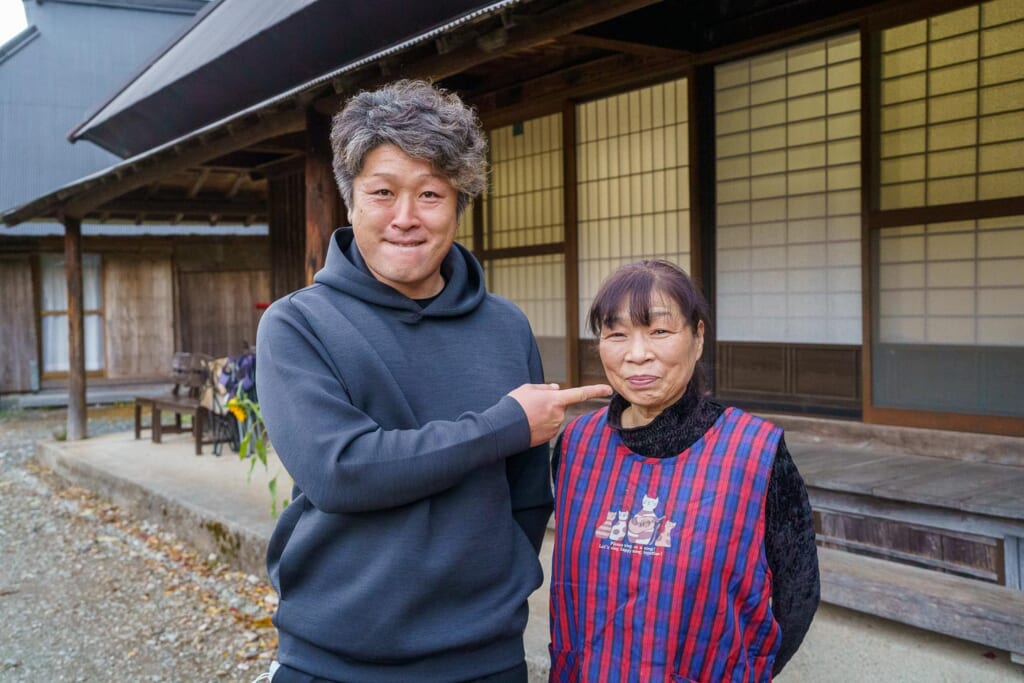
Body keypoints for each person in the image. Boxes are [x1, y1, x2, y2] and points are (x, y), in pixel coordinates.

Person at [254, 79, 611, 683]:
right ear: (352, 202)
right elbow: (339, 470)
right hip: (335, 658)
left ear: (458, 205)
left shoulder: (504, 326)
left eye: (430, 195)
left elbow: (527, 493)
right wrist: (504, 424)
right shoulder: (299, 323)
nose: (405, 218)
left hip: (484, 656)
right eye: (383, 192)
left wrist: (495, 583)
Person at [548, 260, 819, 682]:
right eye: (617, 334)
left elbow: (798, 597)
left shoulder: (754, 452)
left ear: (697, 337)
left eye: (659, 331)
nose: (637, 354)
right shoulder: (576, 446)